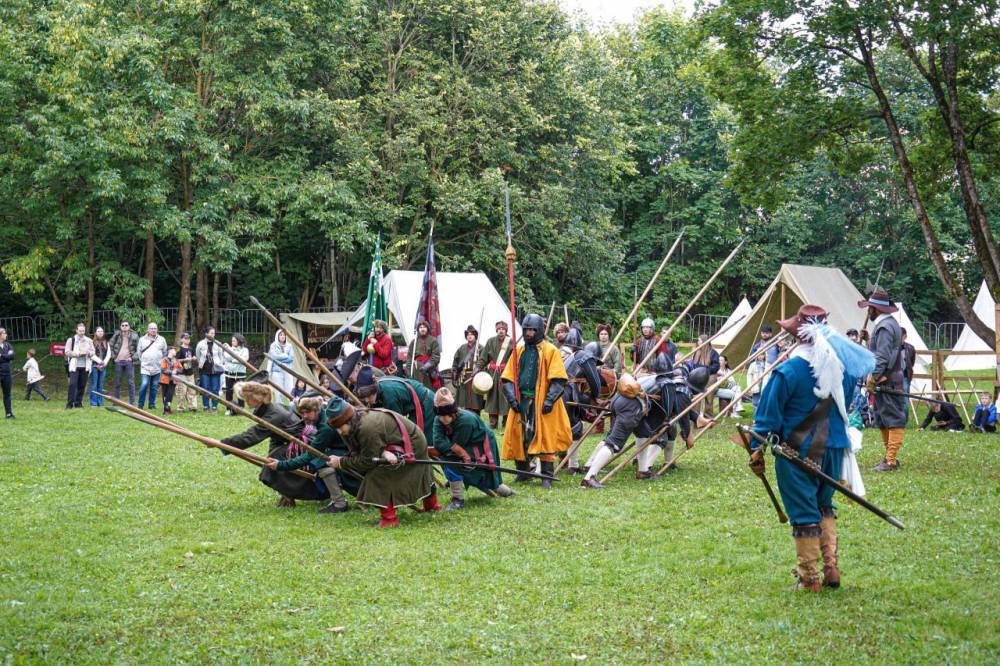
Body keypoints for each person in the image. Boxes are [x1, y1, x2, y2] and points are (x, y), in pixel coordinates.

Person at [752, 304, 874, 592]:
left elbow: (766, 419)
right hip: (833, 449)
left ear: (798, 335)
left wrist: (755, 449)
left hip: (798, 451)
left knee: (804, 512)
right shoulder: (841, 370)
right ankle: (831, 567)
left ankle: (809, 579)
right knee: (823, 505)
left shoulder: (787, 372)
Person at [322, 397, 440, 527]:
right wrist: (382, 452)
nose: (339, 431)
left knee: (378, 476)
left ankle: (390, 520)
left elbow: (367, 461)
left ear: (349, 420)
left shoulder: (367, 427)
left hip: (413, 445)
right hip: (392, 443)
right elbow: (358, 451)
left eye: (340, 427)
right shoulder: (352, 424)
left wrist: (341, 462)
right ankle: (431, 506)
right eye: (336, 428)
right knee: (386, 472)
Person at [221, 382, 330, 507]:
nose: (246, 402)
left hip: (303, 444)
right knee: (274, 455)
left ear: (256, 399)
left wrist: (224, 444)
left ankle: (289, 496)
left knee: (275, 459)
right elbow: (272, 437)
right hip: (289, 441)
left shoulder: (274, 414)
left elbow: (252, 436)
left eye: (248, 399)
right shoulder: (268, 409)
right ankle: (286, 497)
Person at [500, 313, 572, 488]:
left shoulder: (550, 350)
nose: (529, 333)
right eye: (526, 330)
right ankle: (523, 472)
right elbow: (507, 378)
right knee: (520, 436)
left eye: (532, 330)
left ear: (539, 330)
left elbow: (559, 379)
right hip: (522, 401)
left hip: (542, 402)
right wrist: (511, 398)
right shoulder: (519, 351)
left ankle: (546, 475)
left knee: (544, 437)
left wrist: (549, 401)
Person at [265, 396, 353, 513]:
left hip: (347, 451)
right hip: (337, 447)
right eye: (302, 413)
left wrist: (280, 465)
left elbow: (309, 455)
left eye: (308, 412)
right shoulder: (321, 417)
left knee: (320, 463)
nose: (305, 416)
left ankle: (339, 503)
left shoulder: (325, 427)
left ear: (317, 410)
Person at [431, 387, 514, 509]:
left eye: (445, 415)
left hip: (480, 445)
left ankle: (457, 500)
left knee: (454, 462)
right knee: (450, 459)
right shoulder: (438, 419)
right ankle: (457, 489)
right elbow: (438, 441)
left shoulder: (466, 421)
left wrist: (457, 450)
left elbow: (457, 445)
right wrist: (455, 449)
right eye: (440, 416)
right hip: (464, 446)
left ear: (453, 412)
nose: (442, 419)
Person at [859, 289, 907, 472]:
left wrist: (873, 377)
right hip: (885, 379)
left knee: (893, 419)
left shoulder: (885, 326)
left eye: (869, 308)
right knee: (882, 418)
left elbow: (882, 357)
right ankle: (889, 456)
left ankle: (891, 460)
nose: (868, 312)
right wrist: (869, 340)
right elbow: (882, 350)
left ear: (875, 309)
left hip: (887, 379)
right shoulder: (886, 325)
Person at [355, 367, 437, 443]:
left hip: (426, 402)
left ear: (374, 390)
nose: (366, 400)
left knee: (420, 438)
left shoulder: (389, 396)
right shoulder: (378, 389)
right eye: (364, 398)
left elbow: (396, 425)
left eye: (369, 396)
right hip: (414, 404)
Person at [478, 321, 514, 429]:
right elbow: (484, 358)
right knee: (492, 398)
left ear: (506, 330)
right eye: (499, 329)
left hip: (506, 374)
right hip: (492, 374)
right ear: (496, 330)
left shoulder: (511, 342)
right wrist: (478, 367)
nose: (501, 331)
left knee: (506, 398)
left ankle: (506, 423)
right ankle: (493, 423)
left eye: (503, 329)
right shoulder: (490, 341)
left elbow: (515, 360)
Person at [451, 325, 484, 414]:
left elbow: (484, 362)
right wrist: (454, 376)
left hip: (476, 377)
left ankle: (476, 418)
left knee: (476, 402)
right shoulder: (461, 348)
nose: (470, 336)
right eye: (468, 334)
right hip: (463, 378)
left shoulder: (480, 348)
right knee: (463, 402)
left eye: (472, 334)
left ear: (475, 336)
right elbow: (455, 363)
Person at [137, 323, 168, 410]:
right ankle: (140, 404)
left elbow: (165, 352)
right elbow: (139, 353)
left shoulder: (162, 339)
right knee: (144, 384)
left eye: (155, 328)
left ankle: (151, 404)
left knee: (154, 386)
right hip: (145, 367)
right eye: (151, 328)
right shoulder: (142, 339)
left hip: (157, 368)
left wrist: (161, 363)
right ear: (148, 330)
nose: (153, 330)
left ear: (157, 329)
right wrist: (144, 361)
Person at [196, 326, 226, 413]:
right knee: (205, 388)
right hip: (204, 370)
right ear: (206, 334)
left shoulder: (217, 343)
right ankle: (206, 406)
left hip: (215, 370)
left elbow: (221, 356)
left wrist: (219, 364)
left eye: (214, 333)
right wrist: (202, 363)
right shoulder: (200, 344)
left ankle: (214, 406)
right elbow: (198, 355)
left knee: (215, 389)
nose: (213, 335)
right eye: (211, 333)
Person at [65, 323, 95, 409]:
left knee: (82, 386)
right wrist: (77, 354)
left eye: (83, 331)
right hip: (74, 366)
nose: (82, 332)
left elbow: (93, 351)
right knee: (72, 384)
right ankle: (69, 404)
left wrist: (89, 353)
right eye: (80, 331)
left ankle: (78, 403)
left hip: (85, 366)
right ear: (76, 330)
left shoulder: (89, 340)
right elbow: (67, 352)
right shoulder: (71, 340)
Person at [689, 334, 720, 417]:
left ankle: (708, 415)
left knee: (709, 397)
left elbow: (716, 366)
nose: (698, 342)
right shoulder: (697, 351)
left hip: (710, 376)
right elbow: (694, 364)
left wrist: (705, 370)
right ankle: (696, 416)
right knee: (697, 395)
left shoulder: (713, 353)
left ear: (704, 341)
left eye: (699, 340)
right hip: (698, 376)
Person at [109, 320, 139, 404]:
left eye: (126, 325)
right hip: (118, 362)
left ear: (129, 327)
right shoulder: (116, 335)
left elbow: (139, 349)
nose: (124, 327)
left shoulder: (134, 335)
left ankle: (132, 403)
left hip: (129, 362)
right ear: (120, 327)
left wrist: (132, 358)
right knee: (117, 382)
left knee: (131, 383)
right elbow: (110, 346)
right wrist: (114, 357)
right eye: (123, 325)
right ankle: (116, 402)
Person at [406, 319, 442, 390]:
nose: (422, 329)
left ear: (427, 328)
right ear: (418, 329)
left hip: (430, 370)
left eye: (424, 327)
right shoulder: (414, 342)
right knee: (417, 390)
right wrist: (409, 372)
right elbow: (409, 358)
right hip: (416, 370)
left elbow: (436, 356)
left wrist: (427, 366)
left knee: (429, 390)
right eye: (420, 327)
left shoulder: (433, 340)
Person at [223, 333, 249, 414]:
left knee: (240, 391)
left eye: (234, 341)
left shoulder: (245, 350)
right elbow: (227, 357)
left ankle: (241, 408)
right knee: (229, 391)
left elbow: (244, 359)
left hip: (240, 373)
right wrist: (238, 359)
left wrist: (234, 359)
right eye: (232, 340)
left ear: (239, 341)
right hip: (229, 373)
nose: (232, 342)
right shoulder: (228, 349)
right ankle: (228, 409)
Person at [268, 330, 296, 404]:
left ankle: (291, 405)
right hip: (277, 371)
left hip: (287, 370)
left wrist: (280, 360)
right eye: (281, 335)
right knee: (278, 389)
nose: (282, 336)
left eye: (284, 335)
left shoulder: (289, 345)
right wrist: (285, 356)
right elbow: (274, 357)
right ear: (277, 336)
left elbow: (291, 358)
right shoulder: (273, 345)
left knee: (290, 389)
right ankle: (279, 406)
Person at [174, 332, 198, 413]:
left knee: (192, 390)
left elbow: (194, 357)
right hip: (182, 373)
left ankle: (193, 407)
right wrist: (185, 359)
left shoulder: (191, 349)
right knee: (182, 391)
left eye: (188, 338)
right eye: (185, 338)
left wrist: (194, 358)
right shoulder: (179, 349)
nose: (187, 340)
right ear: (182, 339)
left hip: (190, 372)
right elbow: (175, 360)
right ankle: (181, 408)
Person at [88, 327, 111, 407]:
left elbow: (108, 354)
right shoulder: (92, 342)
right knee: (94, 384)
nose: (100, 332)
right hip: (94, 366)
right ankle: (93, 403)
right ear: (95, 333)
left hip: (103, 366)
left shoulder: (106, 342)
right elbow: (91, 354)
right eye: (98, 331)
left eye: (102, 331)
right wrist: (99, 361)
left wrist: (105, 362)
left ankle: (100, 402)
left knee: (100, 385)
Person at [159, 348, 183, 415]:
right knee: (165, 395)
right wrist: (171, 372)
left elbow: (181, 369)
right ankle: (166, 410)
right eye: (174, 350)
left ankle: (167, 409)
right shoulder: (164, 360)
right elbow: (163, 370)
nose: (175, 352)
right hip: (165, 380)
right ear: (170, 351)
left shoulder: (176, 360)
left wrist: (176, 371)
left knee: (170, 395)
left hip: (173, 381)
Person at [0, 328, 14, 418]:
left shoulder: (8, 345)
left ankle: (9, 414)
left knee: (7, 394)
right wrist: (7, 356)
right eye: (4, 333)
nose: (6, 335)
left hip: (7, 373)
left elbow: (12, 356)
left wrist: (2, 356)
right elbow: (8, 357)